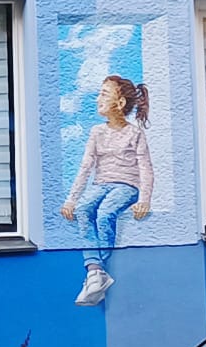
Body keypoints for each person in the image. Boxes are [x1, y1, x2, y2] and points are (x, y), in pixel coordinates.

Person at [61, 75, 154, 306]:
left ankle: (98, 270)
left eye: (104, 94)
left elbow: (145, 167)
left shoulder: (134, 133)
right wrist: (71, 200)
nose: (98, 99)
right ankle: (95, 270)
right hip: (101, 184)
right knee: (84, 209)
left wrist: (144, 199)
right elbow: (86, 167)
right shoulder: (97, 132)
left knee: (105, 213)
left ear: (120, 103)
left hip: (126, 186)